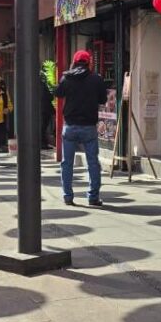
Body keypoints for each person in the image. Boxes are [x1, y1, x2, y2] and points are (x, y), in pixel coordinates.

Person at [52, 50, 108, 206]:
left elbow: (57, 93)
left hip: (69, 126)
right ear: (89, 62)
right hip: (89, 127)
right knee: (93, 163)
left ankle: (68, 196)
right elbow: (103, 99)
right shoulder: (96, 79)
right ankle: (93, 197)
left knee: (67, 163)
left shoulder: (67, 78)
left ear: (75, 62)